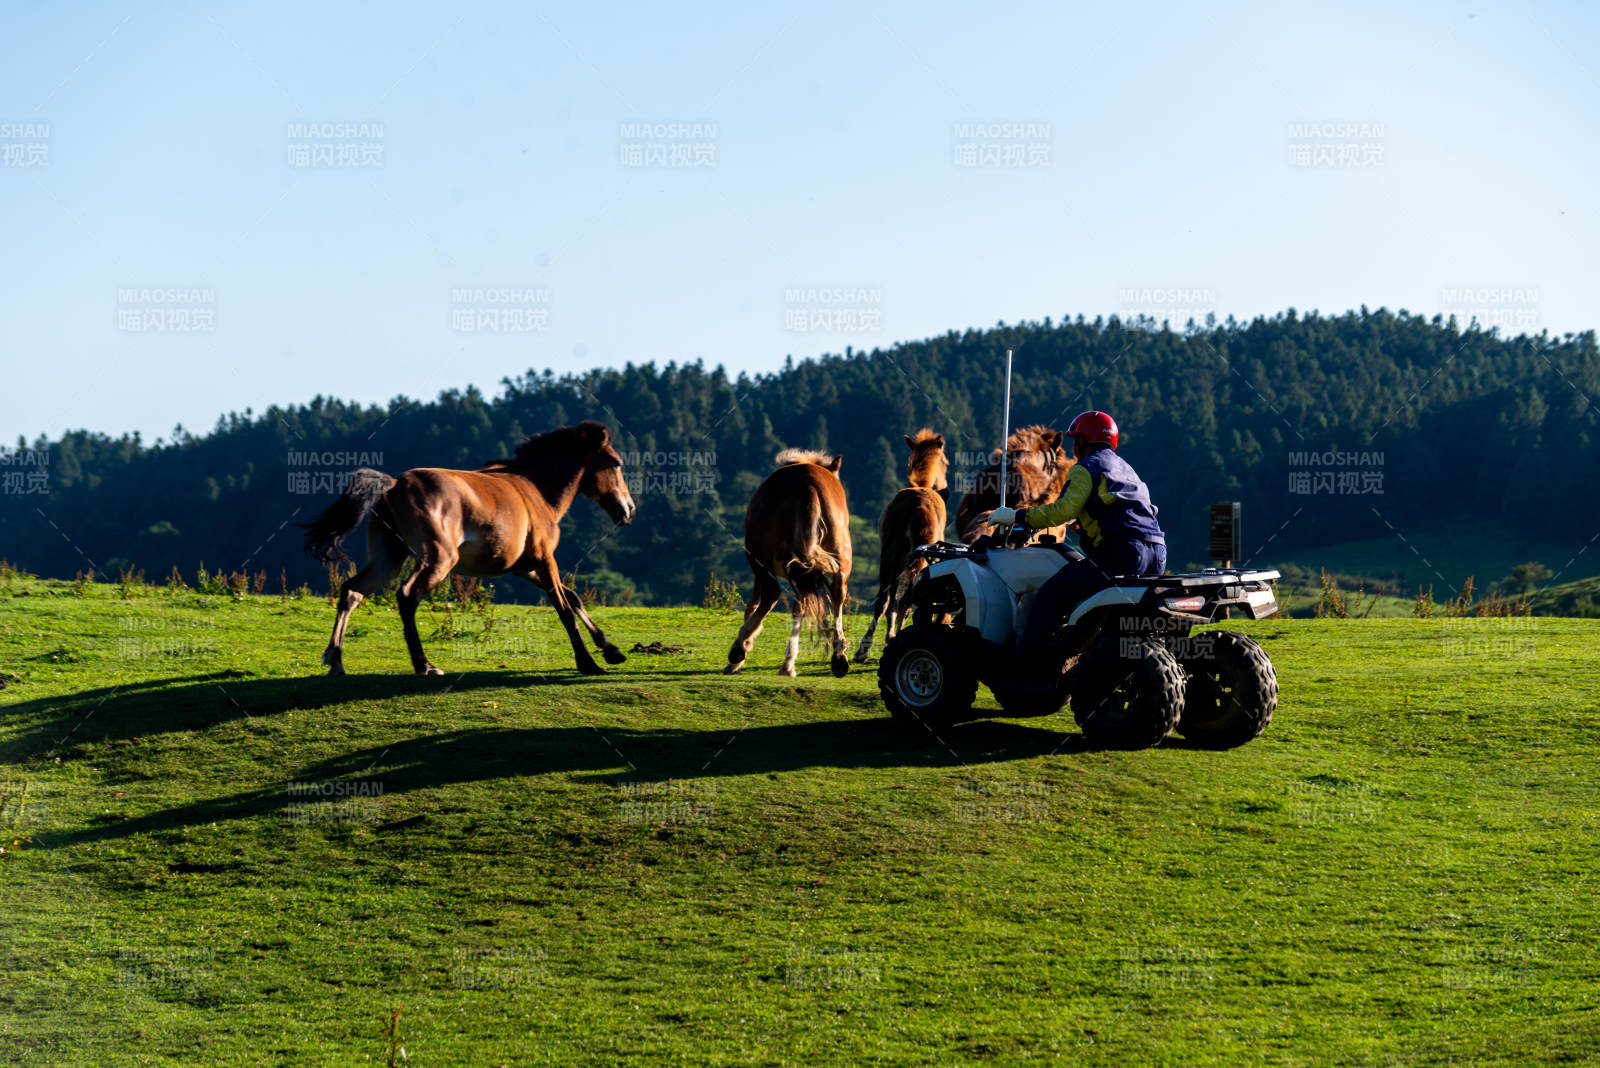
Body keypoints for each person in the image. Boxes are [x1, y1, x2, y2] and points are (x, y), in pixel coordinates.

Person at [982, 410, 1166, 668]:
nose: (1073, 446)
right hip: (1156, 553)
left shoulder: (1086, 467)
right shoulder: (1124, 467)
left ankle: (1027, 666)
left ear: (1083, 441)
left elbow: (1063, 511)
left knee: (1051, 593)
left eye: (1075, 440)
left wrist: (1016, 516)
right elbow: (1108, 506)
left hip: (1123, 553)